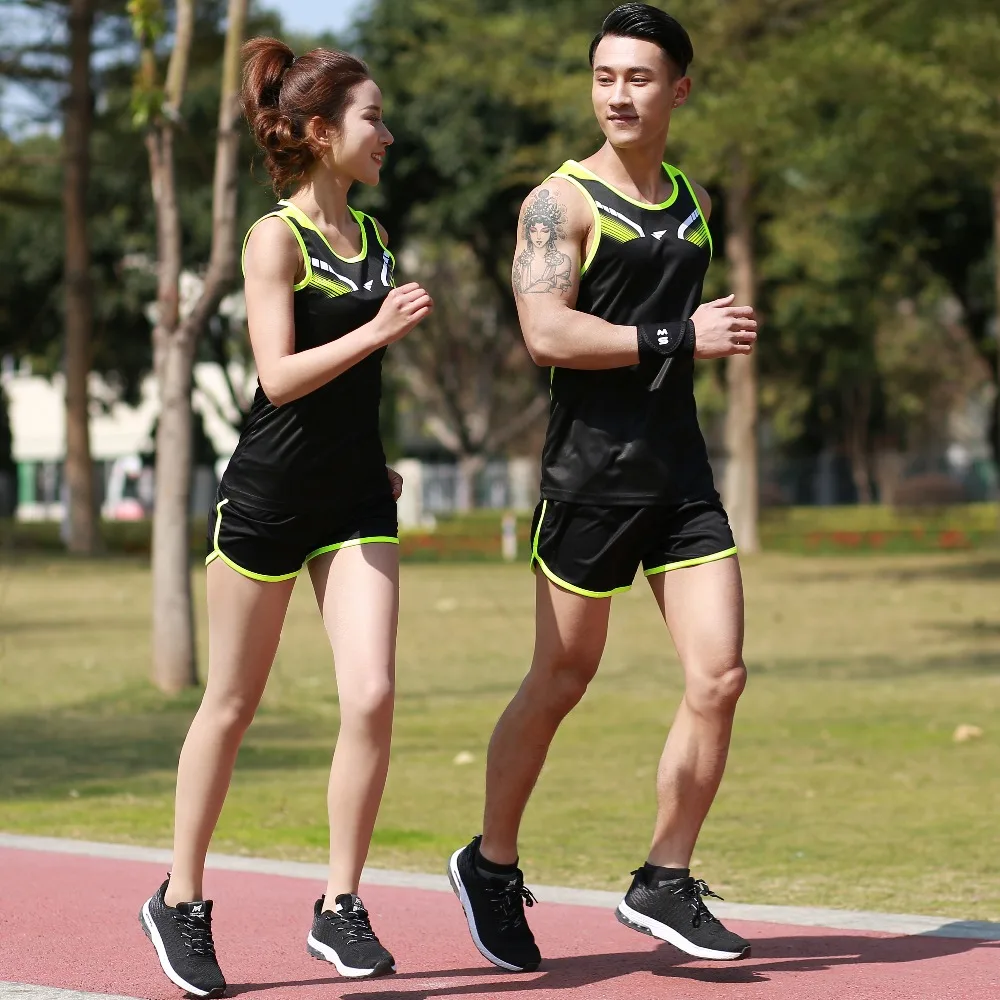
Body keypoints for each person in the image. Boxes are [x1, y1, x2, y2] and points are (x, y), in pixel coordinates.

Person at [448, 3, 757, 973]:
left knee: (720, 676)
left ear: (679, 89)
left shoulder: (692, 199)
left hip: (681, 477)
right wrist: (682, 335)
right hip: (589, 480)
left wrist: (695, 338)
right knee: (561, 680)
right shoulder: (559, 203)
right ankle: (490, 862)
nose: (618, 94)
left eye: (638, 77)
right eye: (604, 76)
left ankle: (664, 877)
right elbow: (546, 333)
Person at [139, 37, 432, 997]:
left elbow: (350, 392)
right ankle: (180, 898)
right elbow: (277, 377)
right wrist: (377, 328)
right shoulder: (276, 240)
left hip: (354, 503)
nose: (386, 134)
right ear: (318, 131)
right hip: (266, 502)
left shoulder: (374, 239)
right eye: (372, 117)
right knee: (231, 704)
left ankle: (340, 906)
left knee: (373, 695)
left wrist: (368, 461)